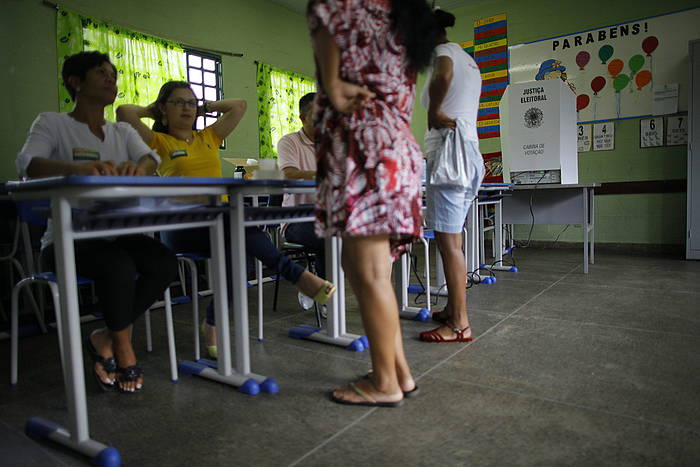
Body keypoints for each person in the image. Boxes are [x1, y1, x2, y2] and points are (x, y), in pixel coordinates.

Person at [116, 81, 335, 359]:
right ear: (163, 108)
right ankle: (297, 275)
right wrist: (153, 110)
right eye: (178, 102)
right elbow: (124, 112)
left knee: (239, 250)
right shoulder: (158, 142)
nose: (187, 108)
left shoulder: (208, 137)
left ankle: (214, 324)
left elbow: (238, 106)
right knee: (240, 221)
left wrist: (203, 107)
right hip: (184, 226)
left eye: (190, 102)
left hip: (222, 223)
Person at [16, 51, 178, 393]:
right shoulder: (53, 123)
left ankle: (104, 336)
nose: (110, 80)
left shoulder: (120, 131)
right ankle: (122, 347)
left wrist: (141, 168)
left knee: (163, 261)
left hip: (116, 233)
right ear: (75, 82)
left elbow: (151, 158)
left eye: (113, 75)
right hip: (66, 238)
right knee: (117, 265)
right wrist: (77, 170)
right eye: (101, 73)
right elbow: (28, 164)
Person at [308, 0, 437, 406]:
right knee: (366, 268)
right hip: (394, 146)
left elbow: (323, 13)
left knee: (368, 271)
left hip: (365, 143)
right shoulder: (403, 14)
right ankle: (398, 371)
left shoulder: (354, 5)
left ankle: (385, 383)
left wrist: (330, 82)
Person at [419, 9, 485, 343]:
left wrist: (432, 111)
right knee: (453, 239)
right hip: (468, 152)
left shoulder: (443, 55)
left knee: (448, 242)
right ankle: (452, 308)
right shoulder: (467, 58)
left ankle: (459, 323)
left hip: (449, 155)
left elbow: (442, 75)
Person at [277, 92, 328, 307]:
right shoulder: (290, 142)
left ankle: (313, 279)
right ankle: (325, 298)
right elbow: (289, 174)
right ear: (303, 118)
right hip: (296, 219)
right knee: (329, 238)